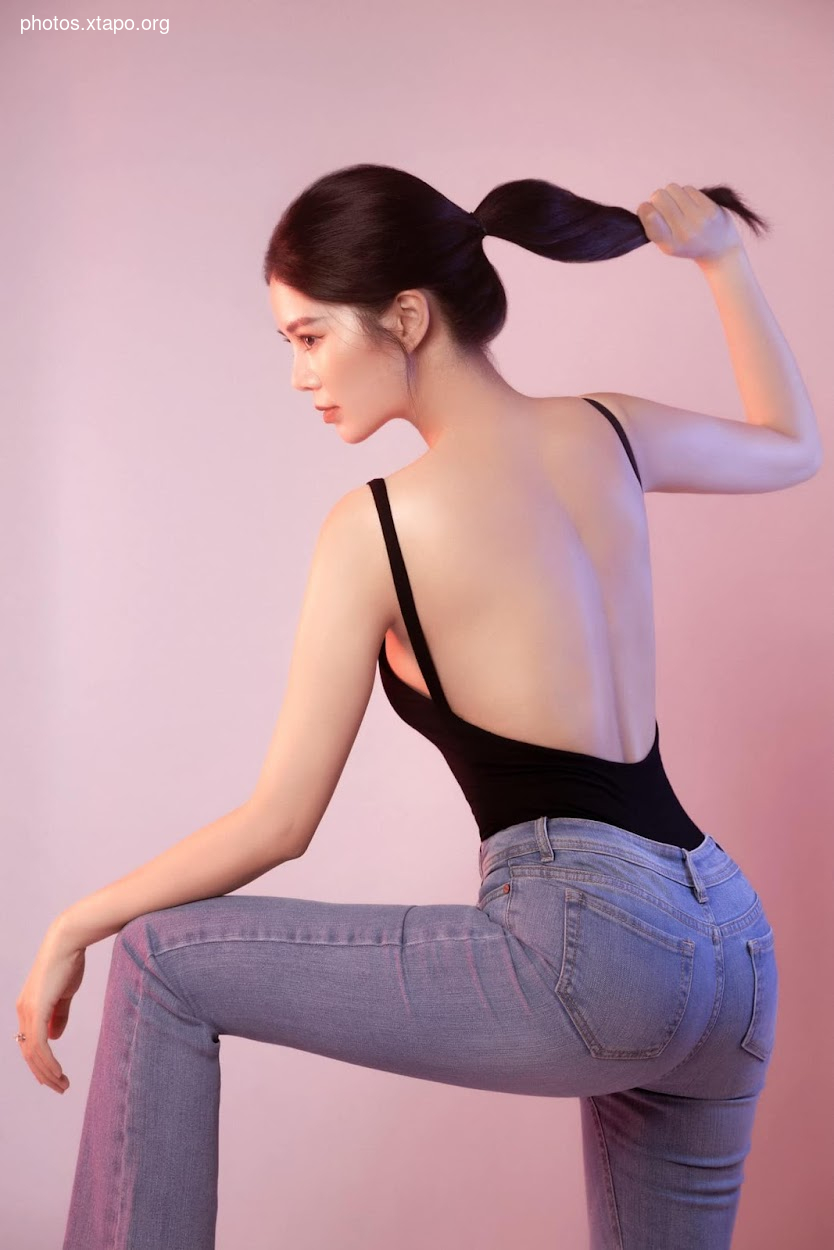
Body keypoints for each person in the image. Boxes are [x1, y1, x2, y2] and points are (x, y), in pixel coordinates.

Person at [18, 167, 820, 1249]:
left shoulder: (377, 528)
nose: (299, 374)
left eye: (308, 337)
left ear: (405, 316)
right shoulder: (610, 432)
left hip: (587, 949)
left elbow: (280, 822)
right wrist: (723, 262)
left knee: (159, 955)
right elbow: (793, 446)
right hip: (730, 948)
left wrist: (80, 918)